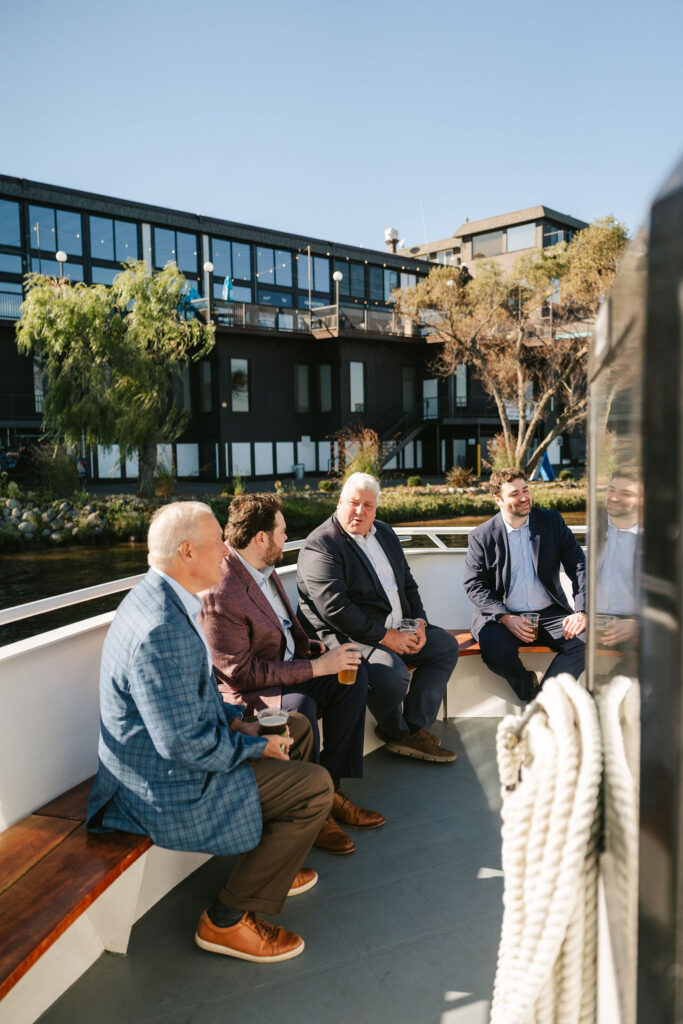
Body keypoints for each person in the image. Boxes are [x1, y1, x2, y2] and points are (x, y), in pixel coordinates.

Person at [87, 501, 333, 963]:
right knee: (315, 788)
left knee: (296, 727)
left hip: (169, 762)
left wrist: (240, 721)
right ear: (186, 552)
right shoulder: (162, 628)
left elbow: (190, 698)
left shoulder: (164, 599)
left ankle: (272, 867)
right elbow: (183, 744)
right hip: (158, 789)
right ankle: (226, 920)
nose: (226, 550)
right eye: (218, 541)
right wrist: (255, 745)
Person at [199, 493, 385, 857]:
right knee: (300, 707)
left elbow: (280, 627)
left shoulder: (263, 568)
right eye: (282, 531)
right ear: (261, 538)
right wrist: (316, 667)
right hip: (253, 692)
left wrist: (313, 648)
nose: (287, 537)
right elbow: (240, 674)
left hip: (289, 665)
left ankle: (330, 789)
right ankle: (311, 807)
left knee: (353, 675)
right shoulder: (222, 592)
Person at [296, 472, 460, 764]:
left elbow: (407, 583)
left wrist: (419, 622)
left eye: (368, 506)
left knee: (445, 646)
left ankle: (413, 728)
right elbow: (336, 608)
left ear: (376, 509)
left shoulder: (383, 532)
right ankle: (396, 732)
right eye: (353, 503)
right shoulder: (321, 544)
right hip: (350, 636)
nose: (359, 511)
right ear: (340, 502)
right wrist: (387, 637)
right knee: (392, 673)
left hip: (396, 628)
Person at [463, 467, 587, 702]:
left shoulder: (551, 522)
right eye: (514, 494)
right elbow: (474, 584)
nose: (523, 498)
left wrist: (581, 610)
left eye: (525, 490)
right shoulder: (481, 536)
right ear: (498, 500)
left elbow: (579, 566)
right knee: (494, 650)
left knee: (585, 642)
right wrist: (506, 617)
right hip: (503, 616)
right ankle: (527, 687)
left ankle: (543, 701)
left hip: (549, 613)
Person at [595, 469, 641, 648]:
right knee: (569, 652)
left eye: (626, 493)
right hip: (592, 620)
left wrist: (638, 625)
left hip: (634, 622)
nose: (614, 498)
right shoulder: (596, 527)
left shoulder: (658, 539)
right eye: (611, 490)